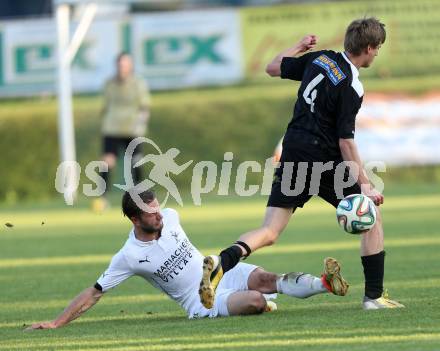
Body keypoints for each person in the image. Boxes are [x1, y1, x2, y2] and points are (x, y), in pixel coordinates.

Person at [199, 18, 404, 311]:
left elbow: (272, 67)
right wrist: (366, 186)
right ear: (369, 48)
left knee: (269, 231)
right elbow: (346, 142)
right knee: (370, 215)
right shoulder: (351, 85)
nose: (377, 53)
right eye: (378, 48)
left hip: (293, 150)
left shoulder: (320, 59)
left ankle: (222, 262)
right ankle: (374, 297)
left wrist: (298, 46)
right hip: (322, 158)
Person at [26, 190, 348, 330]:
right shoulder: (130, 256)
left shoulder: (171, 216)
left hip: (218, 272)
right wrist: (57, 322)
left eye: (158, 207)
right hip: (200, 301)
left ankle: (324, 284)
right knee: (255, 301)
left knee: (266, 278)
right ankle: (265, 302)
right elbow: (94, 292)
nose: (160, 215)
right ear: (134, 219)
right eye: (151, 213)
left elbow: (165, 213)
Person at [93, 52, 151, 211]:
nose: (122, 68)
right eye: (119, 64)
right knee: (107, 162)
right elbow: (105, 106)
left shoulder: (138, 83)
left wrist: (141, 124)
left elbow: (144, 107)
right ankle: (102, 198)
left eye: (125, 64)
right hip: (112, 128)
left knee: (136, 162)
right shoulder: (109, 84)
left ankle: (140, 198)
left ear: (130, 66)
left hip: (132, 129)